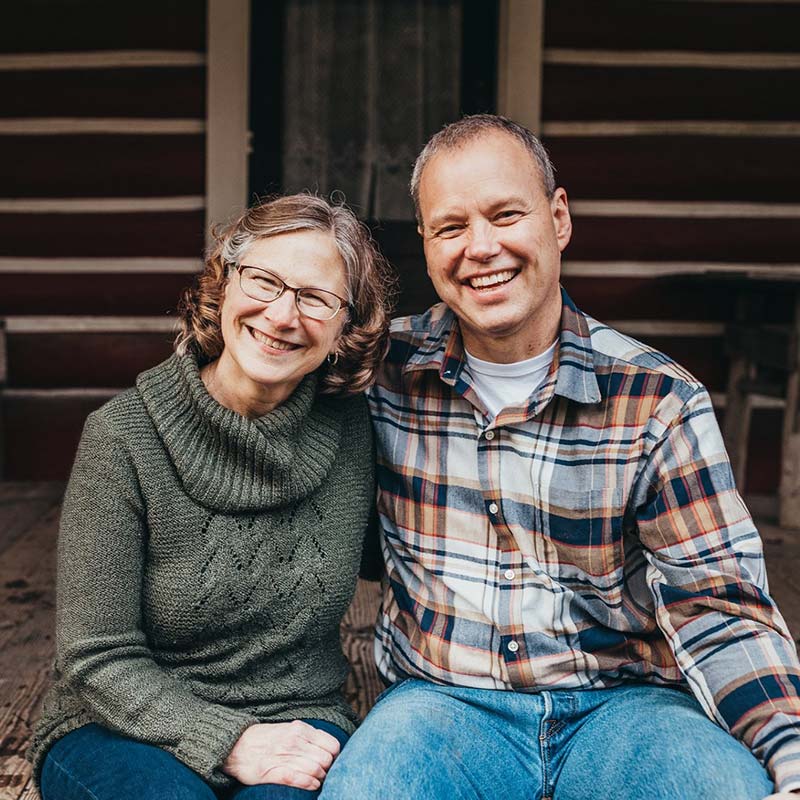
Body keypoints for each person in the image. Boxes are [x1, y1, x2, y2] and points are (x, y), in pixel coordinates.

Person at [319, 115, 800, 800]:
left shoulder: (656, 399)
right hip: (439, 707)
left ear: (559, 217)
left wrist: (791, 755)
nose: (481, 247)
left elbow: (718, 604)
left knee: (722, 787)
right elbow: (253, 373)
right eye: (451, 227)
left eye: (505, 215)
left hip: (628, 707)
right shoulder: (382, 372)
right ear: (425, 246)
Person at [28, 194, 393, 800]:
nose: (281, 314)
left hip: (297, 718)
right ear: (224, 286)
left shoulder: (356, 433)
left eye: (314, 297)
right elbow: (94, 659)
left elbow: (410, 556)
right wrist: (231, 740)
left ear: (345, 331)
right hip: (119, 726)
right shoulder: (123, 437)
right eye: (265, 281)